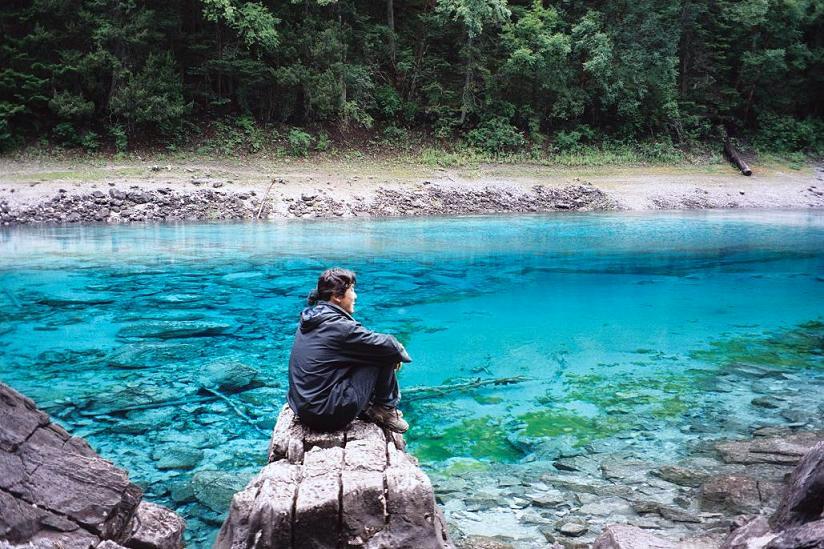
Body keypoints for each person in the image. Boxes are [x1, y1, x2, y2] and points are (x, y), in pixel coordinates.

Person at [287, 267, 412, 433]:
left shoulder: (312, 318)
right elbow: (390, 346)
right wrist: (397, 357)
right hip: (325, 415)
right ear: (337, 297)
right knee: (382, 353)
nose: (355, 296)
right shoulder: (340, 327)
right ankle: (383, 409)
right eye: (352, 290)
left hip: (304, 408)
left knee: (367, 350)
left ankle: (368, 406)